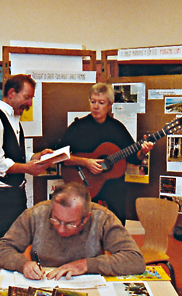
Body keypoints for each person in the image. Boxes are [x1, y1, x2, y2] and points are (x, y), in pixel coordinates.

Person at [0, 182, 145, 280]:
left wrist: (86, 265)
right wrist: (23, 264)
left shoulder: (103, 218)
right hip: (44, 283)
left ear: (86, 218)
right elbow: (1, 249)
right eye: (56, 220)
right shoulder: (36, 214)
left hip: (88, 285)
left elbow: (135, 260)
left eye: (70, 224)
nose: (61, 229)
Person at [59, 82, 152, 224]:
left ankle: (115, 243)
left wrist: (143, 152)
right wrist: (85, 162)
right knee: (84, 223)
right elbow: (58, 156)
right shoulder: (78, 127)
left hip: (111, 184)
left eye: (101, 103)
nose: (96, 107)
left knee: (118, 218)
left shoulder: (117, 128)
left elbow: (134, 157)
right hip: (83, 182)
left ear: (110, 105)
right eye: (93, 102)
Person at [0, 74, 53, 239]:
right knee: (8, 248)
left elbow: (13, 156)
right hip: (1, 200)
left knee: (20, 245)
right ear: (11, 93)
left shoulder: (14, 120)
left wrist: (36, 157)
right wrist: (26, 168)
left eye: (31, 98)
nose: (30, 104)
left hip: (16, 195)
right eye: (27, 97)